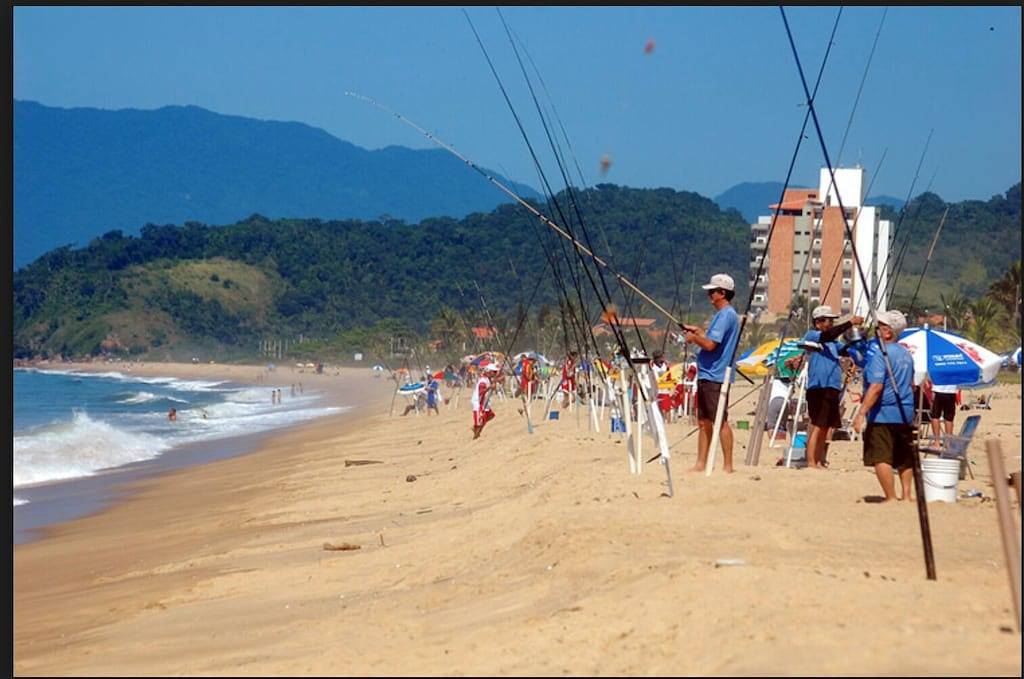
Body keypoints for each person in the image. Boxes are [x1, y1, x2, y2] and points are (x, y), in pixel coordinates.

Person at [784, 305, 864, 469]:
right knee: (817, 424)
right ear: (818, 322)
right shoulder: (813, 335)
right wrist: (850, 322)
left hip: (832, 386)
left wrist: (854, 339)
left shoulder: (833, 343)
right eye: (829, 321)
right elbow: (827, 335)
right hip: (818, 387)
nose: (831, 324)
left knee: (826, 426)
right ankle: (811, 461)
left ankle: (819, 460)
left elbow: (845, 350)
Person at [852, 309, 916, 502]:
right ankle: (906, 495)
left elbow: (876, 387)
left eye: (880, 326)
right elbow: (912, 385)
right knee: (904, 455)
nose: (876, 329)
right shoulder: (907, 354)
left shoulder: (881, 354)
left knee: (881, 455)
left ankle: (891, 497)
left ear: (888, 332)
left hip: (883, 413)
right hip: (905, 412)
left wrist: (861, 413)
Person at [683, 273, 740, 473]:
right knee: (704, 421)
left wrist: (694, 339)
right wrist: (699, 332)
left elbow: (709, 345)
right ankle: (701, 463)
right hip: (707, 373)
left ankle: (728, 466)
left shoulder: (726, 315)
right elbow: (710, 339)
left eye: (712, 291)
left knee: (719, 420)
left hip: (715, 375)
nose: (709, 294)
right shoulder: (722, 315)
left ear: (722, 293)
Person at [927, 376, 958, 446]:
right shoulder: (954, 364)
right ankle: (948, 442)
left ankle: (937, 441)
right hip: (951, 390)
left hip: (938, 389)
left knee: (935, 416)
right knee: (949, 417)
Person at [472, 364, 500, 439]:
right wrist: (490, 387)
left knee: (490, 415)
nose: (494, 373)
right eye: (493, 372)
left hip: (485, 402)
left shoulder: (488, 379)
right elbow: (480, 392)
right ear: (489, 372)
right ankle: (476, 433)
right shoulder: (483, 381)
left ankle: (479, 429)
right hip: (478, 403)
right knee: (478, 422)